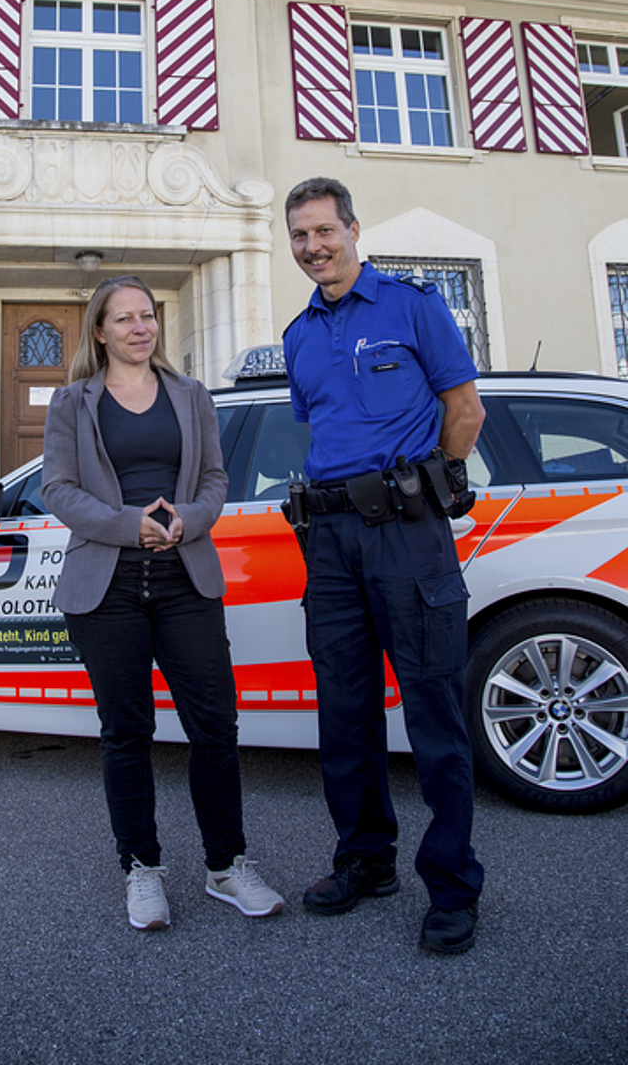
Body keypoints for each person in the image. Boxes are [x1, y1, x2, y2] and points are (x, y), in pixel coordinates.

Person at [42, 275, 284, 931]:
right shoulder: (72, 402)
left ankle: (227, 865)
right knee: (127, 733)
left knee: (215, 726)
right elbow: (58, 489)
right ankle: (141, 869)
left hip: (185, 578)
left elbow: (214, 478)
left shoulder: (191, 395)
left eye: (146, 315)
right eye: (123, 319)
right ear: (100, 331)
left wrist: (191, 520)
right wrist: (130, 525)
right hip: (108, 585)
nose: (138, 327)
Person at [282, 178, 485, 954]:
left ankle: (453, 886)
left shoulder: (413, 306)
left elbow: (464, 410)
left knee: (433, 715)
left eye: (324, 232)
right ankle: (365, 862)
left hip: (407, 532)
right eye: (300, 236)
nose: (313, 247)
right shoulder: (300, 335)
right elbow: (321, 429)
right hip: (330, 542)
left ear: (353, 229)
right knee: (345, 712)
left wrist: (428, 484)